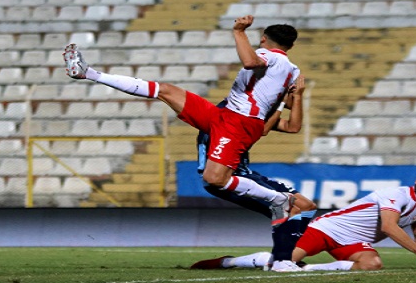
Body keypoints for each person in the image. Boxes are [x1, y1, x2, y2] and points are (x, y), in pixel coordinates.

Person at [63, 15, 301, 220]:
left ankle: (277, 199)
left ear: (263, 39)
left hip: (239, 122)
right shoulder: (293, 70)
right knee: (165, 90)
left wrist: (239, 31)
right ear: (291, 44)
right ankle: (89, 73)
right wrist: (287, 95)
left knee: (214, 179)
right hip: (225, 114)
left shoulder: (270, 56)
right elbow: (289, 101)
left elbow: (250, 62)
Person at [190, 76, 318, 270]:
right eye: (290, 93)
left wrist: (297, 97)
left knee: (306, 206)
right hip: (226, 176)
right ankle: (283, 260)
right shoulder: (235, 112)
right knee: (291, 208)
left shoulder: (253, 109)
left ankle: (284, 257)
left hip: (244, 172)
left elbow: (293, 127)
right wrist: (284, 101)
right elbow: (261, 131)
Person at [269, 166, 416, 272]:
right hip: (327, 229)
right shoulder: (396, 194)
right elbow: (389, 227)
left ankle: (308, 268)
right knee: (281, 264)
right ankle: (239, 262)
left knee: (372, 264)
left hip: (355, 242)